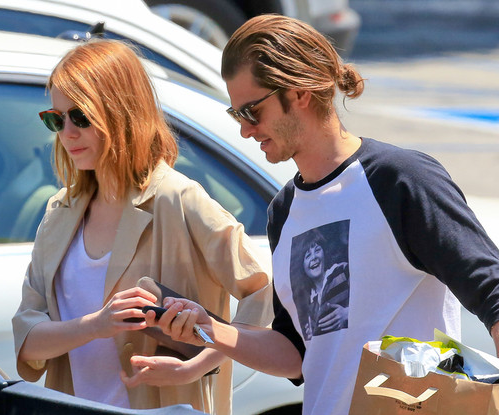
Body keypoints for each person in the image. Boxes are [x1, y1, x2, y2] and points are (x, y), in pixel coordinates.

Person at [145, 14, 499, 415]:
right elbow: (296, 355)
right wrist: (209, 328)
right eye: (236, 115)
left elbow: (493, 292)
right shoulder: (284, 210)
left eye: (252, 111)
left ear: (299, 93)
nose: (245, 129)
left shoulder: (400, 179)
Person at [11, 39, 273, 415]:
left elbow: (262, 291)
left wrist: (199, 365)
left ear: (120, 112)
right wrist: (96, 325)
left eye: (80, 116)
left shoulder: (178, 198)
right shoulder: (60, 210)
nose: (67, 133)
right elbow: (28, 341)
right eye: (56, 119)